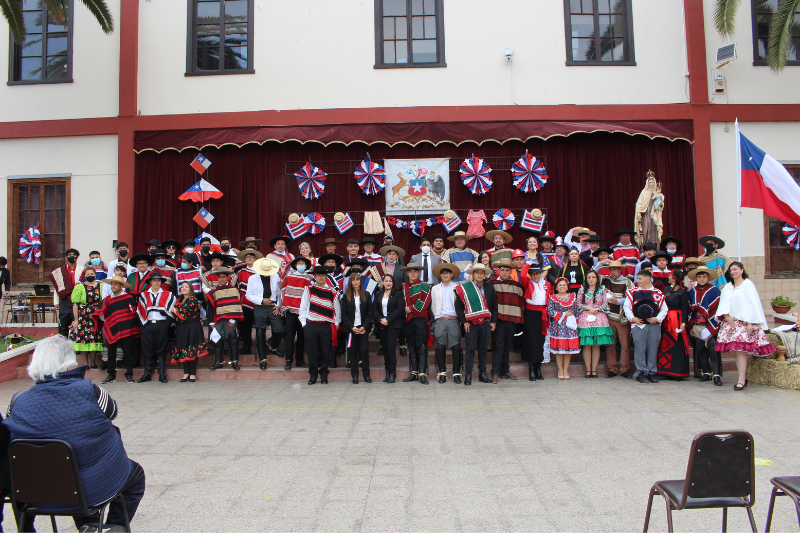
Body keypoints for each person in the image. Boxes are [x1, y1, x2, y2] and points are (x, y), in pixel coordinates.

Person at [3, 336, 146, 532]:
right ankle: (111, 526)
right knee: (135, 476)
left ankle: (30, 528)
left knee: (67, 467)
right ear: (70, 364)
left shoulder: (17, 400)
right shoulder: (92, 392)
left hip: (33, 492)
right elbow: (112, 412)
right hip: (88, 491)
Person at [715, 262, 775, 390]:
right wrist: (727, 316)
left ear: (742, 270)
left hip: (744, 323)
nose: (733, 272)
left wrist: (750, 322)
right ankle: (742, 377)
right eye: (731, 270)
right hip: (731, 322)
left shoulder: (748, 285)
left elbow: (752, 304)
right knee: (736, 351)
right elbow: (723, 304)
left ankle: (741, 379)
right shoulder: (728, 287)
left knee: (740, 350)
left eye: (735, 269)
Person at [299, 265, 341, 385]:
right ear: (315, 276)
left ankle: (323, 374)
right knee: (312, 352)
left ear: (326, 276)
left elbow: (337, 310)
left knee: (325, 351)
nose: (321, 277)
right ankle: (313, 375)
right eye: (318, 275)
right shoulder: (308, 290)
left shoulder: (333, 292)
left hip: (326, 326)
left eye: (323, 275)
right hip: (310, 325)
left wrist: (336, 323)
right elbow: (303, 308)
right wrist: (304, 324)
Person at [455, 264, 497, 385]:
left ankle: (482, 374)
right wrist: (464, 321)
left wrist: (493, 322)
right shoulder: (466, 288)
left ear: (485, 275)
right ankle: (468, 374)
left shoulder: (490, 288)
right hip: (471, 324)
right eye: (477, 272)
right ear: (473, 274)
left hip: (485, 323)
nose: (479, 274)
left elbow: (494, 306)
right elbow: (458, 306)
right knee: (470, 349)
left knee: (483, 350)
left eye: (482, 272)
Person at [623, 270, 667, 384]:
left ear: (648, 279)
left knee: (653, 348)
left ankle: (652, 372)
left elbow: (664, 309)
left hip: (654, 324)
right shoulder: (632, 292)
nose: (637, 281)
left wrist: (657, 319)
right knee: (640, 349)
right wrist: (633, 318)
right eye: (637, 278)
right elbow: (626, 307)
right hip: (639, 324)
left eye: (640, 278)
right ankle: (641, 371)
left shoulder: (657, 293)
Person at [95, 275, 140, 383]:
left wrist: (129, 326)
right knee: (111, 353)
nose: (113, 286)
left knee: (128, 353)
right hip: (112, 329)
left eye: (115, 284)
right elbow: (100, 313)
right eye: (112, 284)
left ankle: (129, 374)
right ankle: (111, 374)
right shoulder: (107, 300)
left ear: (121, 285)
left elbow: (133, 314)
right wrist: (108, 322)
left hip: (126, 330)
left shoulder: (129, 298)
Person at [136, 273, 175, 383]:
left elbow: (171, 310)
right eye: (154, 280)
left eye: (158, 280)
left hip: (161, 324)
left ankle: (162, 374)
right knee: (147, 349)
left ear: (161, 282)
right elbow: (140, 311)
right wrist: (143, 326)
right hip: (147, 325)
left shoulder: (168, 295)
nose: (156, 282)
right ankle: (146, 373)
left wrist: (166, 325)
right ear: (150, 282)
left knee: (161, 349)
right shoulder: (144, 295)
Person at [246, 257, 284, 370]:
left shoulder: (276, 276)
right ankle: (263, 359)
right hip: (259, 306)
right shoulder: (252, 278)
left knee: (280, 329)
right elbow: (248, 295)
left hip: (272, 306)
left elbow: (279, 293)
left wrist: (278, 305)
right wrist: (261, 300)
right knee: (260, 332)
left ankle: (272, 345)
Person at [687, 266, 723, 385]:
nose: (702, 279)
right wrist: (691, 326)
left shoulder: (715, 291)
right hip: (697, 325)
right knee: (700, 348)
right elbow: (690, 311)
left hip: (710, 325)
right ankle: (706, 372)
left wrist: (713, 326)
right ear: (696, 278)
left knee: (712, 347)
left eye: (704, 277)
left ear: (708, 278)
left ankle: (716, 374)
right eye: (699, 277)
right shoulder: (691, 292)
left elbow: (717, 309)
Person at [489, 259, 524, 383]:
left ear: (511, 271)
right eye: (502, 270)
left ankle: (505, 371)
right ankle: (495, 372)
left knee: (507, 346)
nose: (504, 272)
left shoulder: (516, 286)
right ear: (498, 271)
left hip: (511, 320)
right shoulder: (491, 284)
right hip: (498, 320)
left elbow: (520, 302)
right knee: (498, 346)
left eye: (507, 270)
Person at [430, 263, 463, 384]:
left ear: (451, 274)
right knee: (440, 346)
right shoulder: (435, 288)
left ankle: (456, 373)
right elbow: (432, 305)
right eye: (443, 273)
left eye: (447, 273)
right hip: (440, 320)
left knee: (456, 346)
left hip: (454, 319)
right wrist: (437, 315)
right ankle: (442, 373)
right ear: (440, 275)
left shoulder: (457, 287)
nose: (445, 275)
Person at [576, 271, 613, 378]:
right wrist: (588, 308)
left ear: (597, 279)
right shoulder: (582, 290)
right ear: (586, 279)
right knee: (587, 345)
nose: (591, 279)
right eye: (589, 277)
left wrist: (597, 309)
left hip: (599, 318)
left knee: (596, 345)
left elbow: (605, 304)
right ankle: (588, 369)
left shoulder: (602, 290)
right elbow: (578, 304)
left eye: (593, 277)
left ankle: (594, 370)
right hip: (585, 319)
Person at [400, 262, 432, 384]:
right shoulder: (403, 287)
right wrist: (406, 310)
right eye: (410, 271)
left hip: (420, 319)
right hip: (408, 320)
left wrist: (411, 309)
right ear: (407, 273)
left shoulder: (425, 285)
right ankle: (414, 372)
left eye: (415, 271)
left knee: (422, 346)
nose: (413, 273)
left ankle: (422, 373)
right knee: (411, 345)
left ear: (418, 272)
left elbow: (424, 301)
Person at [601, 261, 634, 378]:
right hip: (609, 316)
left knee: (625, 344)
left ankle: (625, 369)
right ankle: (612, 368)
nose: (612, 272)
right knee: (610, 344)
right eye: (611, 270)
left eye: (615, 269)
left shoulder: (627, 282)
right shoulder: (606, 280)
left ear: (620, 270)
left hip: (621, 318)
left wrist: (618, 301)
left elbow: (631, 298)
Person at [207, 267, 244, 371]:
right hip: (218, 319)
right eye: (219, 277)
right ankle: (218, 361)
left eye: (223, 277)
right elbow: (210, 307)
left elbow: (237, 304)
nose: (221, 279)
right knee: (218, 341)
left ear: (228, 278)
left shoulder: (233, 289)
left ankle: (234, 361)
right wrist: (211, 322)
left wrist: (233, 319)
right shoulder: (214, 291)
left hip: (230, 320)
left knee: (232, 339)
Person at [170, 281, 207, 383]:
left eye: (186, 287)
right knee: (183, 349)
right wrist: (175, 310)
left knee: (192, 349)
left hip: (192, 327)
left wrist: (174, 310)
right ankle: (186, 372)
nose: (184, 288)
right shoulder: (180, 300)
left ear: (190, 289)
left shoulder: (193, 300)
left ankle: (192, 373)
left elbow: (182, 313)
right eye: (182, 287)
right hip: (182, 328)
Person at [519, 263, 550, 381]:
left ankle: (538, 368)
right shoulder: (528, 283)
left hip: (543, 313)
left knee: (541, 341)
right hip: (531, 314)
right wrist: (528, 264)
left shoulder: (547, 284)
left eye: (537, 273)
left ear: (541, 274)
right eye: (533, 274)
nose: (535, 276)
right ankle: (531, 369)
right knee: (531, 341)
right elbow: (522, 275)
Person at [656, 270, 690, 380]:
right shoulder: (666, 289)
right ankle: (664, 370)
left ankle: (677, 372)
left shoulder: (683, 292)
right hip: (666, 319)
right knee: (665, 343)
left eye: (670, 276)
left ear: (674, 278)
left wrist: (683, 323)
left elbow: (684, 309)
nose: (668, 277)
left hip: (676, 319)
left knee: (676, 345)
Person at [280, 257, 312, 371]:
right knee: (289, 337)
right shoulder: (289, 277)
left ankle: (299, 360)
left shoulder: (310, 278)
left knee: (302, 337)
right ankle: (288, 360)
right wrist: (281, 308)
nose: (301, 264)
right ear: (295, 265)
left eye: (303, 263)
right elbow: (283, 292)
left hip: (304, 312)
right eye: (299, 263)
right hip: (291, 311)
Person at [69, 266, 104, 369]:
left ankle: (93, 362)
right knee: (83, 338)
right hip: (83, 315)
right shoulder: (79, 287)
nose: (90, 276)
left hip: (95, 315)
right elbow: (75, 304)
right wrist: (76, 319)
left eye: (92, 274)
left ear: (95, 275)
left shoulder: (101, 286)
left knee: (94, 337)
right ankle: (85, 362)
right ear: (84, 276)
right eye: (88, 274)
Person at [341, 274, 372, 384]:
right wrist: (352, 327)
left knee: (364, 350)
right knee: (353, 352)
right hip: (351, 329)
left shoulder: (367, 295)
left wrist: (364, 326)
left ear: (360, 281)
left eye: (357, 280)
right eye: (353, 280)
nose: (355, 282)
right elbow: (344, 314)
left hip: (362, 327)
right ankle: (355, 376)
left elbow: (369, 313)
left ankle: (366, 375)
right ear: (350, 282)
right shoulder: (346, 296)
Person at [548, 277, 581, 379]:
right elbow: (550, 311)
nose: (562, 287)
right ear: (556, 287)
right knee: (560, 349)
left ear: (567, 287)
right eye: (560, 285)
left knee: (568, 349)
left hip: (570, 326)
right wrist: (563, 314)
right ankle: (560, 370)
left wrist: (576, 322)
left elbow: (576, 311)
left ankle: (566, 369)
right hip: (558, 326)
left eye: (564, 285)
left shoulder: (573, 296)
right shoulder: (552, 297)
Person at [373, 273, 404, 383]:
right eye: (386, 281)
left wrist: (388, 319)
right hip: (382, 324)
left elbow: (400, 309)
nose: (388, 283)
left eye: (390, 281)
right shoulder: (378, 294)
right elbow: (375, 309)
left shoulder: (398, 294)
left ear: (393, 282)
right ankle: (387, 372)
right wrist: (381, 319)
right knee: (385, 349)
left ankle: (392, 373)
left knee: (390, 349)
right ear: (383, 282)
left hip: (394, 325)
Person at [49, 248, 84, 337]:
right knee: (63, 324)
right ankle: (63, 344)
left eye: (74, 255)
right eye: (69, 255)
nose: (72, 257)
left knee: (77, 323)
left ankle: (76, 346)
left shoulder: (82, 269)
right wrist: (56, 302)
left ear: (77, 257)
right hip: (64, 300)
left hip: (78, 301)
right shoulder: (60, 271)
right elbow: (57, 287)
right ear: (66, 257)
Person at [236, 248, 263, 355]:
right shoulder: (240, 272)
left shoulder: (261, 272)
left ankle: (261, 346)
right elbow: (238, 288)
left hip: (259, 303)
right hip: (245, 303)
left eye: (251, 256)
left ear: (256, 259)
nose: (249, 258)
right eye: (247, 257)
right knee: (246, 327)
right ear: (244, 259)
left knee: (260, 327)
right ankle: (247, 346)